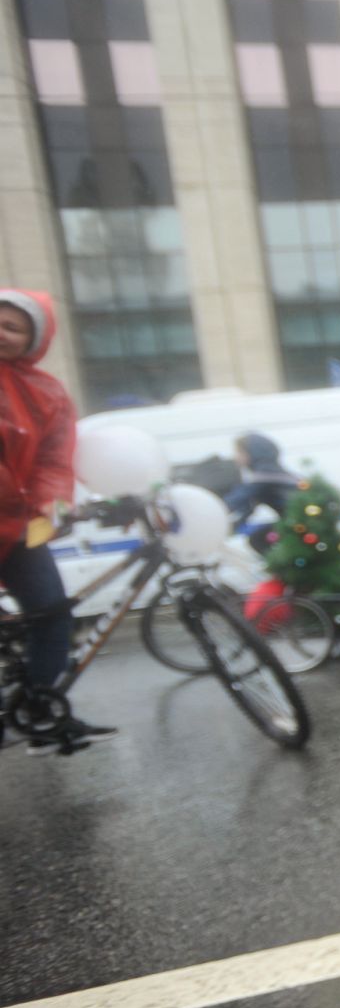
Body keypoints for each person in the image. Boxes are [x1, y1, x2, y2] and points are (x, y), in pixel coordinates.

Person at [0, 289, 119, 755]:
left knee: (52, 615)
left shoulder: (47, 391)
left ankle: (35, 712)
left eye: (14, 328)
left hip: (17, 529)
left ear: (34, 340)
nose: (1, 333)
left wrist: (52, 503)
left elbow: (53, 457)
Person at [224, 432, 302, 525]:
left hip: (298, 526)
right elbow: (248, 508)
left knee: (260, 536)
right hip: (301, 524)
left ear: (253, 453)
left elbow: (232, 502)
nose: (235, 457)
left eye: (239, 452)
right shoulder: (277, 474)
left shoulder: (263, 478)